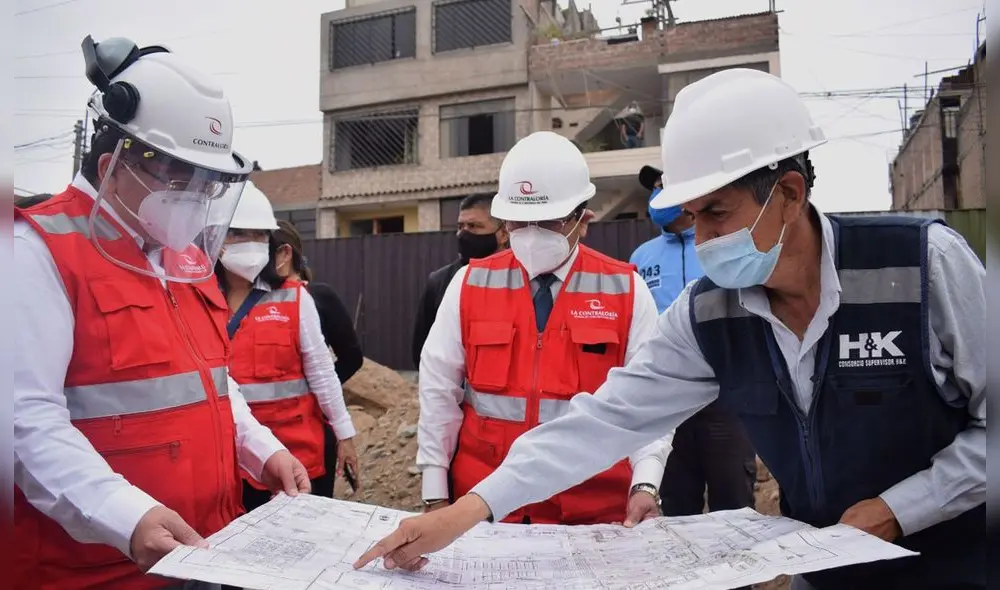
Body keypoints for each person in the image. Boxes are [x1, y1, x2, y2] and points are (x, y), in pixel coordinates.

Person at [355, 69, 986, 590]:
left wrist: (898, 511)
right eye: (691, 215)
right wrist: (466, 509)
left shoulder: (922, 266)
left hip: (953, 563)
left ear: (789, 193)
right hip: (820, 565)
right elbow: (607, 419)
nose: (703, 238)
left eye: (717, 212)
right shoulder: (710, 310)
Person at [14, 35, 308, 589]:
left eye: (206, 185)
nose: (195, 200)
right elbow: (24, 422)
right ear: (113, 164)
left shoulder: (184, 259)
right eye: (181, 181)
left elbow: (211, 386)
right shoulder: (36, 252)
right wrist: (125, 515)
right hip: (96, 569)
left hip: (206, 552)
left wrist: (262, 450)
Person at [415, 131, 673, 526]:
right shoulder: (469, 284)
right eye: (519, 222)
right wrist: (435, 493)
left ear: (582, 221)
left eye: (549, 222)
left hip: (592, 512)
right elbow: (439, 391)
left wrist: (646, 484)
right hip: (485, 505)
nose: (532, 234)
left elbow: (649, 399)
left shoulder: (626, 289)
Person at [215, 182, 359, 510]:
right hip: (231, 460)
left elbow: (323, 372)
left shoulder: (295, 299)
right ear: (216, 238)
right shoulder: (199, 299)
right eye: (238, 233)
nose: (250, 244)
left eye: (259, 235)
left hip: (298, 455)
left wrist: (345, 435)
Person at [631, 165, 758, 518]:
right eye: (654, 189)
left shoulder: (723, 246)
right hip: (667, 400)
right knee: (673, 504)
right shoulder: (642, 258)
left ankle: (738, 575)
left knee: (733, 503)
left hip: (726, 395)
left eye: (664, 186)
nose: (657, 196)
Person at [274, 218, 365, 494]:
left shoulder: (318, 297)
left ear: (285, 253)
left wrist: (317, 388)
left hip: (315, 424)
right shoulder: (250, 301)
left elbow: (352, 357)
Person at [411, 193, 509, 367]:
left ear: (503, 234)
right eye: (460, 226)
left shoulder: (524, 278)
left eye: (473, 226)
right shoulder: (440, 281)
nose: (463, 233)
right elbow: (423, 351)